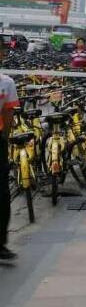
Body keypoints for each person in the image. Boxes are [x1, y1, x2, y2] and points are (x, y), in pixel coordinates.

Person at [0, 73, 19, 261]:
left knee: (2, 195)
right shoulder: (6, 82)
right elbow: (8, 115)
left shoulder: (6, 82)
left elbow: (8, 114)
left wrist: (4, 140)